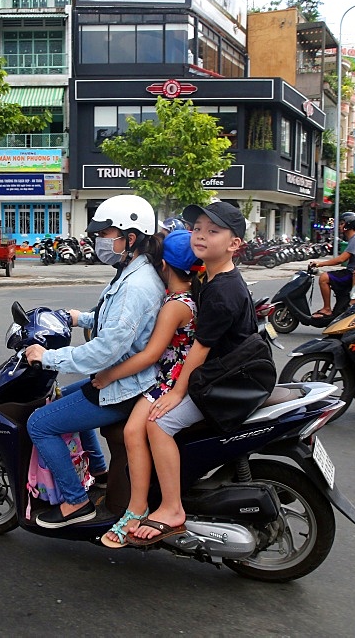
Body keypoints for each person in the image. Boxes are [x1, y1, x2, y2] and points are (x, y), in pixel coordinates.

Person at [24, 195, 164, 528]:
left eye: (106, 234)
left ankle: (76, 503)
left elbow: (105, 350)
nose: (100, 240)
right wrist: (81, 318)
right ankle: (99, 472)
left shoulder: (136, 285)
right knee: (63, 399)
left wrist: (49, 357)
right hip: (125, 378)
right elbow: (118, 324)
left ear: (130, 238)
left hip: (124, 386)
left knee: (39, 424)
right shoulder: (132, 271)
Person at [129, 202, 257, 546]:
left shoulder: (222, 290)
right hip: (222, 373)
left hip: (224, 382)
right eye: (198, 228)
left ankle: (172, 508)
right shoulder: (209, 277)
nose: (201, 235)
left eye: (213, 231)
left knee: (158, 423)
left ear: (234, 244)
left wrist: (175, 393)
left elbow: (199, 349)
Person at [89, 229, 198, 548]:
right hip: (174, 376)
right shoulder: (188, 296)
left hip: (166, 380)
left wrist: (110, 375)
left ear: (163, 265)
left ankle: (137, 508)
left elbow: (151, 354)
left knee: (133, 432)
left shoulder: (175, 305)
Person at [309, 212, 355, 317]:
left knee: (324, 278)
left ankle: (327, 309)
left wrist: (319, 264)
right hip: (352, 271)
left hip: (353, 273)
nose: (340, 226)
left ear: (349, 225)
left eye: (342, 223)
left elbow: (341, 260)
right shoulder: (353, 239)